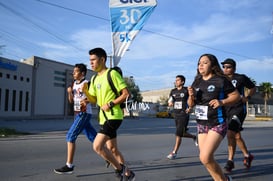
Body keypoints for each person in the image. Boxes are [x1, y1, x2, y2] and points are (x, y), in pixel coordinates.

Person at [83, 47, 135, 180]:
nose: (91, 63)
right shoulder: (94, 79)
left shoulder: (112, 74)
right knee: (112, 149)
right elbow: (95, 100)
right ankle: (127, 175)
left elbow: (125, 94)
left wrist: (111, 103)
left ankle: (121, 170)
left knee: (97, 146)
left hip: (114, 116)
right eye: (90, 60)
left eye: (93, 60)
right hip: (103, 117)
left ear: (102, 59)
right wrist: (86, 95)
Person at [187, 54, 240, 181]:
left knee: (205, 157)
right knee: (206, 159)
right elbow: (191, 104)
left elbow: (236, 96)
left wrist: (222, 102)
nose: (201, 65)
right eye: (199, 62)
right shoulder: (197, 81)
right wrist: (191, 96)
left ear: (212, 65)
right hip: (201, 124)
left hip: (217, 122)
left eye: (205, 62)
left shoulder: (220, 80)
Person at [54, 63, 97, 174]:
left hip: (84, 113)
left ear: (82, 73)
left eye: (76, 71)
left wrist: (86, 100)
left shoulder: (87, 83)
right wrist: (69, 93)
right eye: (73, 71)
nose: (73, 73)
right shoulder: (73, 84)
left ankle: (69, 165)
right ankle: (109, 156)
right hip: (77, 113)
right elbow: (71, 101)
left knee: (70, 135)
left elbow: (94, 98)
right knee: (93, 138)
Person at [221, 58, 256, 172]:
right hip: (226, 110)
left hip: (239, 109)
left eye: (228, 67)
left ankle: (230, 161)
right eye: (224, 67)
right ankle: (247, 156)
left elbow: (252, 87)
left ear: (234, 68)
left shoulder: (240, 78)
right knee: (236, 136)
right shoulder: (221, 79)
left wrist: (247, 97)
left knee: (231, 133)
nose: (225, 69)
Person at [166, 75, 198, 160]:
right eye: (175, 80)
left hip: (184, 114)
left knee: (178, 133)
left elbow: (193, 100)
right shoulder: (173, 91)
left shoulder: (186, 90)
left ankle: (174, 152)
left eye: (178, 80)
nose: (176, 82)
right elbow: (170, 100)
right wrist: (170, 103)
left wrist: (190, 108)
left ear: (182, 82)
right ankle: (194, 137)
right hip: (176, 114)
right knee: (181, 133)